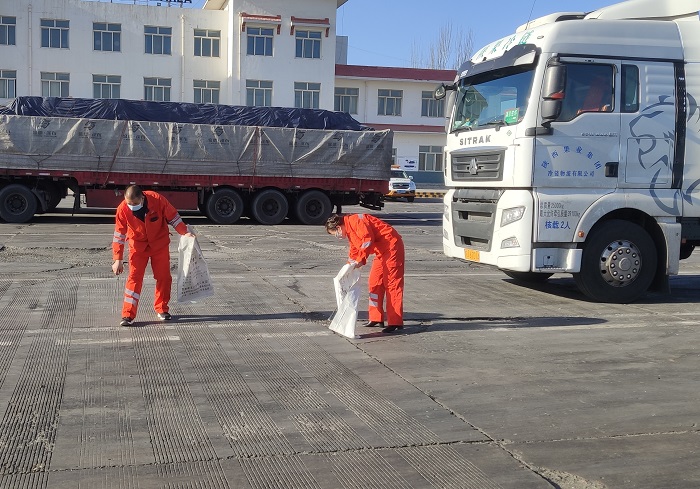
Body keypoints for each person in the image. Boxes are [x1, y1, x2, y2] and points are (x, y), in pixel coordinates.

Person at [112, 185, 194, 326]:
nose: (132, 206)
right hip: (137, 247)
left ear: (142, 198)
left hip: (159, 245)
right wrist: (117, 259)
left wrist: (184, 232)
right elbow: (119, 234)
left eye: (135, 203)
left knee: (163, 277)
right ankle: (128, 314)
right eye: (129, 203)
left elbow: (173, 217)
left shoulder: (157, 200)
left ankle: (162, 309)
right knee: (134, 279)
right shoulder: (122, 209)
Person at [325, 213, 405, 333]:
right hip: (381, 251)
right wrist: (350, 265)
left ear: (338, 228)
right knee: (374, 283)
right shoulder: (350, 228)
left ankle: (395, 321)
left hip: (392, 248)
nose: (338, 237)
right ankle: (376, 318)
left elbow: (367, 240)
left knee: (392, 284)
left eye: (335, 234)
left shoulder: (356, 221)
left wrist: (361, 260)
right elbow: (354, 249)